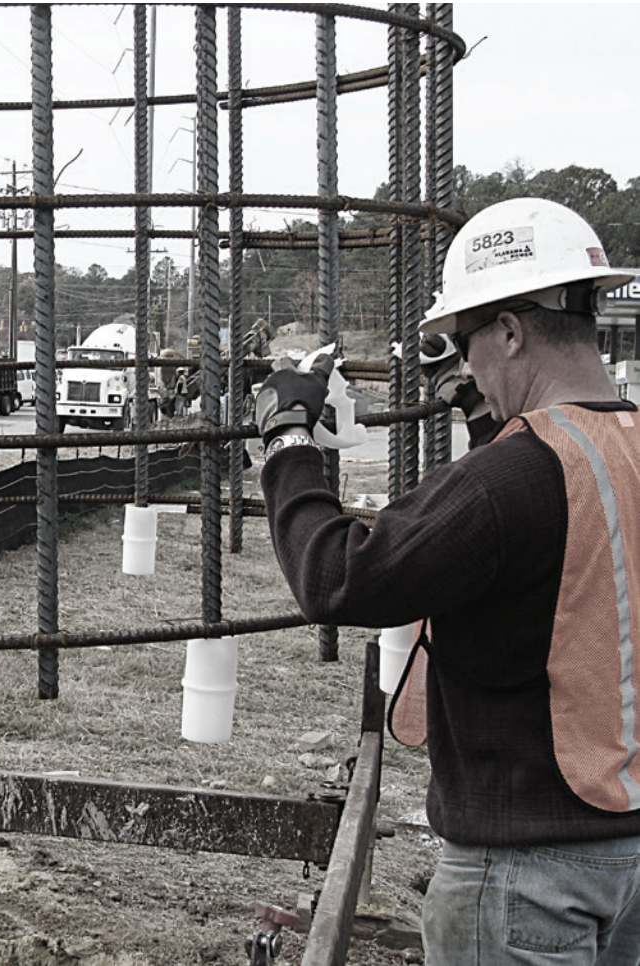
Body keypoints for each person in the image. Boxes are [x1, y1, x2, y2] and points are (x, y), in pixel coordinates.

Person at [255, 196, 640, 965]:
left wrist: (288, 443)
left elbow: (338, 578)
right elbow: (561, 568)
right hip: (621, 852)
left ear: (510, 329)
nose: (464, 367)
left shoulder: (512, 477)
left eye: (466, 344)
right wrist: (485, 423)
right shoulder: (622, 442)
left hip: (523, 871)